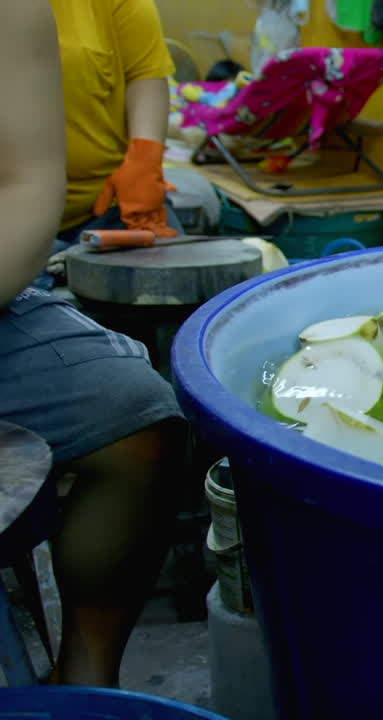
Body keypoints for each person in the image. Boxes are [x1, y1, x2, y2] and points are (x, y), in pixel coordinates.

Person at [1, 0, 187, 688]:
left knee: (138, 406)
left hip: (67, 219)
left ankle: (86, 678)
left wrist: (144, 156)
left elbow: (22, 181)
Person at [37, 0, 182, 290]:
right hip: (12, 220)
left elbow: (143, 73)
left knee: (177, 289)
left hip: (109, 210)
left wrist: (144, 161)